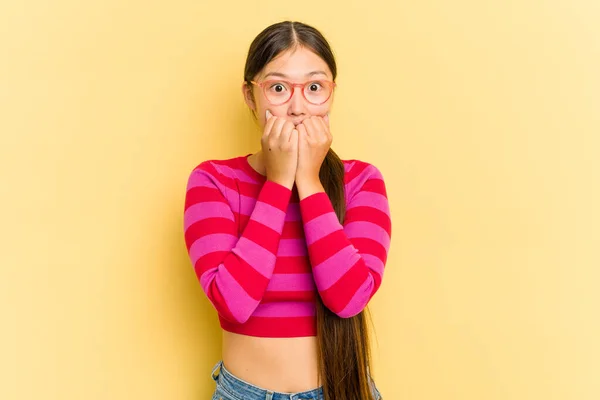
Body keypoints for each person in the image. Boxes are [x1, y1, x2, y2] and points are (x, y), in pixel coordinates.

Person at [183, 21, 392, 400]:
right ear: (250, 96)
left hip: (343, 391)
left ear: (331, 94)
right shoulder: (213, 181)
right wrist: (279, 183)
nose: (297, 108)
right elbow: (234, 303)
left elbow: (348, 299)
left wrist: (308, 181)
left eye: (314, 87)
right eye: (278, 88)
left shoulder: (362, 182)